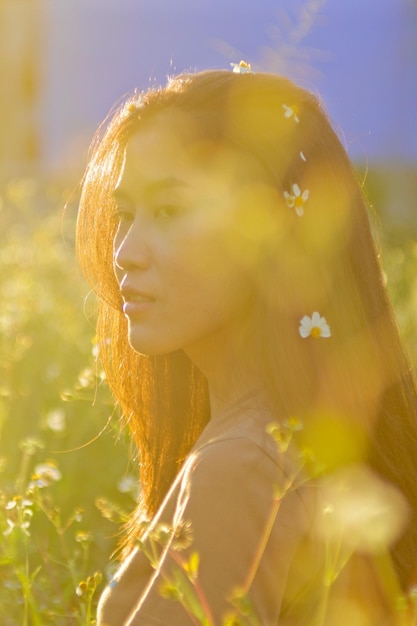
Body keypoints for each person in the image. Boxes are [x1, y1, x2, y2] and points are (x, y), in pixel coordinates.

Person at [76, 66, 417, 625]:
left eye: (170, 210)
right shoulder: (301, 437)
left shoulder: (242, 463)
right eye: (124, 214)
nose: (125, 253)